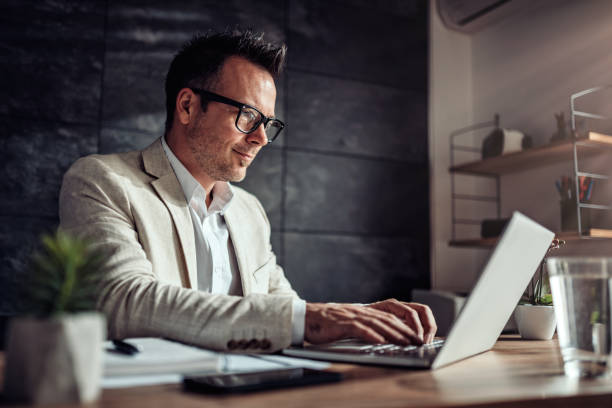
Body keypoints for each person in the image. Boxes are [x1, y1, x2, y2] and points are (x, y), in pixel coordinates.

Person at [59, 30, 436, 352]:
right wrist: (318, 318)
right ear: (188, 106)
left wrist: (364, 319)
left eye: (268, 123)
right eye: (247, 116)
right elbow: (125, 303)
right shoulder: (101, 180)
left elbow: (285, 310)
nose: (260, 138)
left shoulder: (249, 211)